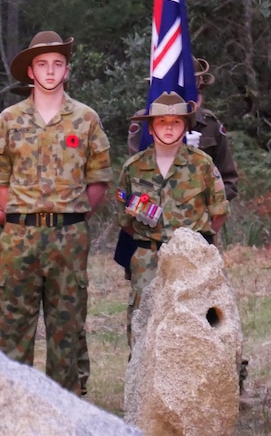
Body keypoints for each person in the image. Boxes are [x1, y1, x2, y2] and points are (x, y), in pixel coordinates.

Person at [0, 31, 112, 395]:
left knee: (67, 327)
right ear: (30, 72)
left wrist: (73, 217)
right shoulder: (9, 119)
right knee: (13, 325)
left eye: (57, 64)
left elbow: (98, 180)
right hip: (19, 238)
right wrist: (14, 217)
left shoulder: (86, 119)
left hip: (69, 237)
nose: (50, 71)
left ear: (66, 71)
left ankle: (66, 409)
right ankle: (13, 407)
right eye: (43, 64)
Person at [117, 91, 229, 347]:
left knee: (194, 322)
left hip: (189, 259)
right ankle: (141, 382)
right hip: (148, 258)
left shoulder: (202, 165)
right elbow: (124, 217)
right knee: (143, 322)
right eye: (161, 122)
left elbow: (218, 212)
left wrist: (196, 246)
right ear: (151, 127)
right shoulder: (133, 167)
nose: (168, 128)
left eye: (176, 122)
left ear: (186, 125)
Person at [128, 57, 238, 202]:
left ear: (198, 84)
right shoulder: (145, 122)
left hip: (200, 219)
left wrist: (204, 209)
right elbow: (136, 174)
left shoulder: (210, 125)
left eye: (186, 82)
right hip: (152, 213)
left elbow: (228, 181)